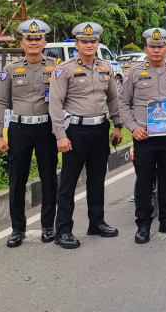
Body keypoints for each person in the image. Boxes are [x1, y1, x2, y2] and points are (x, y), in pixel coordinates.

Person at [49, 22, 123, 249]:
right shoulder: (64, 69)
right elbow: (55, 103)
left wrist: (117, 125)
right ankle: (63, 230)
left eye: (93, 41)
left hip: (100, 129)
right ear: (77, 43)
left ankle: (96, 222)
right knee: (69, 182)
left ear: (97, 43)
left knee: (97, 179)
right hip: (75, 131)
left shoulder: (106, 67)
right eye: (84, 41)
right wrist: (60, 135)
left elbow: (112, 97)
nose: (89, 45)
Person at [120, 29, 166, 244]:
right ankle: (143, 224)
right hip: (144, 135)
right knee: (144, 181)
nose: (156, 50)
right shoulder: (134, 73)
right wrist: (133, 128)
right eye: (152, 46)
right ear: (146, 49)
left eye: (160, 47)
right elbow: (123, 103)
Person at [0, 19, 58, 248]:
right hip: (19, 129)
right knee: (17, 180)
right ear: (22, 42)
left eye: (38, 38)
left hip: (46, 129)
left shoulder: (55, 67)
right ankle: (17, 229)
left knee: (49, 178)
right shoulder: (10, 69)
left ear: (44, 42)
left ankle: (48, 226)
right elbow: (2, 102)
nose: (33, 42)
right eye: (29, 39)